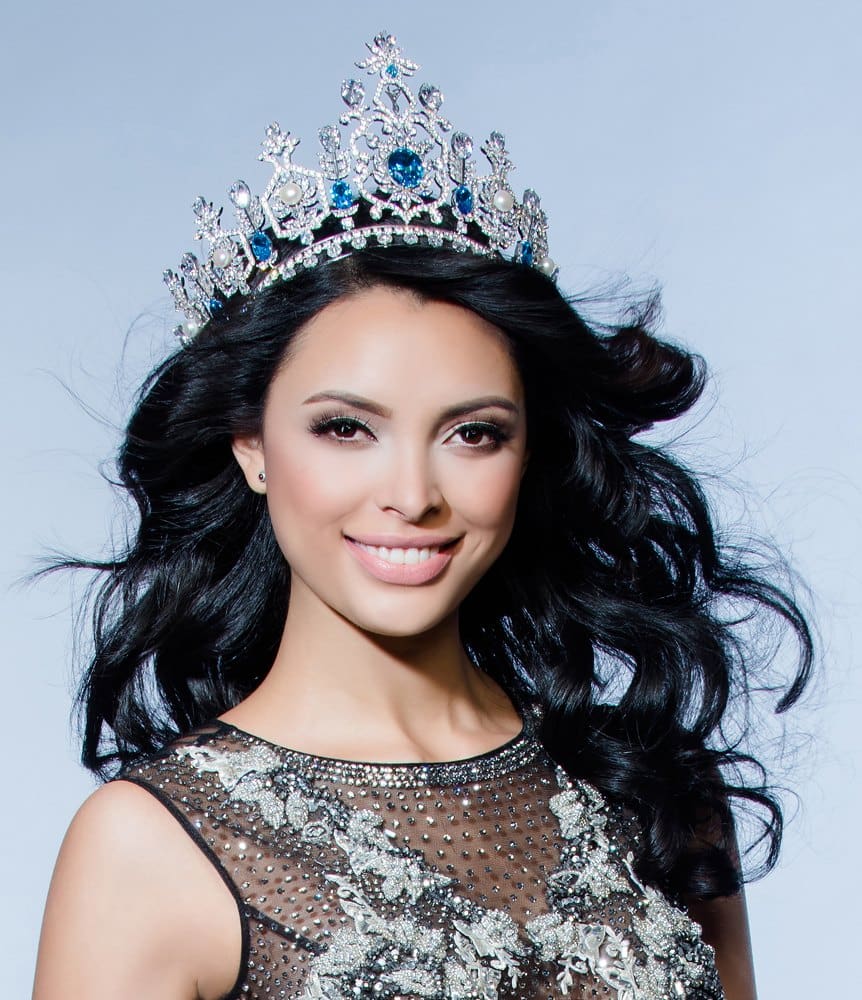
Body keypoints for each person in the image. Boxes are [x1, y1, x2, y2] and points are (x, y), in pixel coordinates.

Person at [32, 31, 812, 1000]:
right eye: (346, 428)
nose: (411, 492)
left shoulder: (654, 790)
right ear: (251, 445)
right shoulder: (152, 847)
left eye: (472, 433)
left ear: (527, 451)